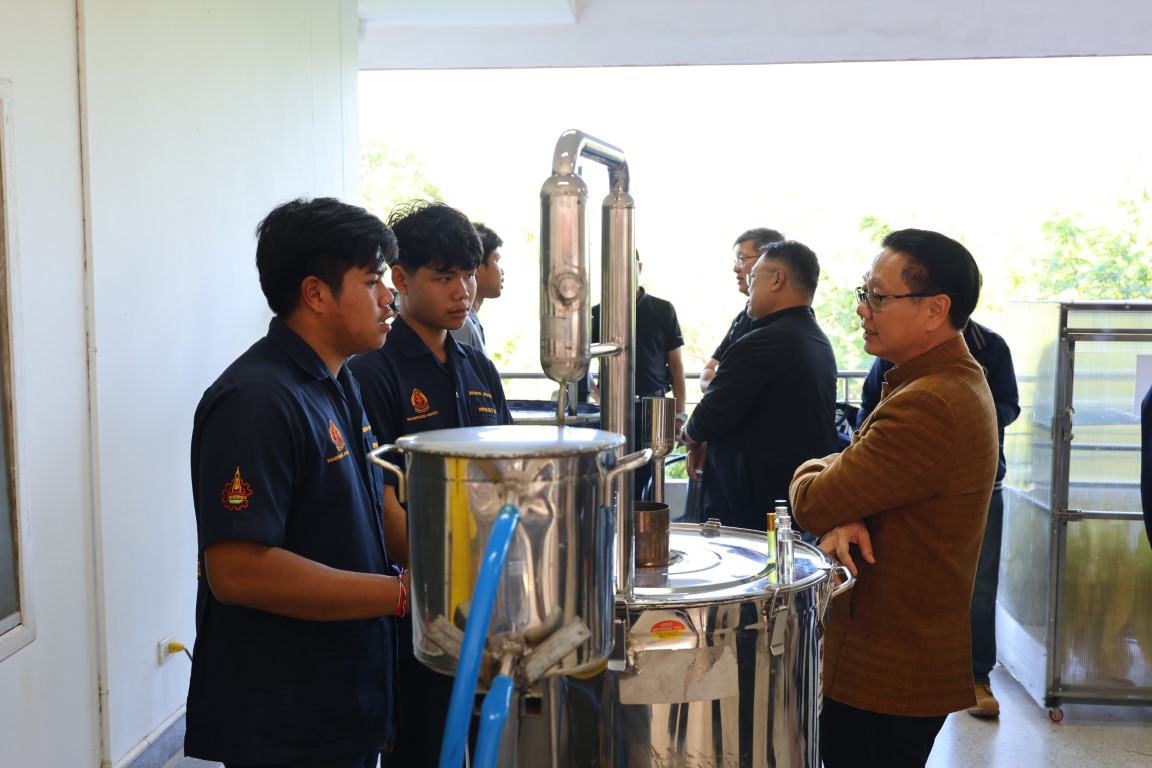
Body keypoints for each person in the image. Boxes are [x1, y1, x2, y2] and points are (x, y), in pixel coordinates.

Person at [185, 197, 408, 768]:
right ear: (315, 293)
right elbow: (238, 569)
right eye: (372, 281)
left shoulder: (337, 381)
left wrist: (451, 566)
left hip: (343, 694)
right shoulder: (257, 401)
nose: (389, 297)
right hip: (286, 717)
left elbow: (366, 509)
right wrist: (402, 595)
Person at [789, 228, 998, 768]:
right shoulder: (934, 381)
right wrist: (847, 498)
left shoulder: (932, 402)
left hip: (887, 668)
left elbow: (812, 502)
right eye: (865, 293)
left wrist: (823, 479)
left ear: (935, 309)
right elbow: (853, 484)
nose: (863, 309)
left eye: (878, 296)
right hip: (891, 656)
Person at [348, 199, 514, 768]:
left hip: (487, 597)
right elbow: (379, 500)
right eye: (444, 278)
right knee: (422, 744)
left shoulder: (476, 366)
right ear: (400, 278)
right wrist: (437, 583)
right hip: (417, 606)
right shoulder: (373, 372)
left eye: (467, 275)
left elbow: (508, 474)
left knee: (483, 739)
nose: (462, 291)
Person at [856, 320, 1020, 718]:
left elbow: (1010, 405)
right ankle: (898, 676)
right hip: (904, 485)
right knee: (897, 577)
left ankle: (976, 676)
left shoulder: (990, 345)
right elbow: (867, 406)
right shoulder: (898, 345)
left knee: (979, 586)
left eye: (881, 296)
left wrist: (964, 412)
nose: (867, 309)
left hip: (980, 486)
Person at [680, 240, 841, 530]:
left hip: (756, 505)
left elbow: (711, 414)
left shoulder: (763, 342)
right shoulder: (815, 338)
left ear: (777, 280)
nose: (749, 286)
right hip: (795, 495)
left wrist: (687, 435)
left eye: (753, 276)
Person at [582, 252, 688, 499]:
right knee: (613, 477)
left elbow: (676, 366)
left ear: (639, 267)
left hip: (655, 407)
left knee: (650, 479)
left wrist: (679, 415)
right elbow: (581, 360)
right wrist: (597, 394)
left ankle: (647, 522)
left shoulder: (663, 309)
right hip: (612, 410)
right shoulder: (598, 313)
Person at [698, 227, 787, 393]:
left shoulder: (785, 324)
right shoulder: (743, 317)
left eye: (741, 259)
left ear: (766, 260)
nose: (736, 268)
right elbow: (708, 371)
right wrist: (719, 388)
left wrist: (720, 383)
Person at [449, 221, 504, 356]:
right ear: (475, 266)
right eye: (496, 261)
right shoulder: (461, 325)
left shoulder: (469, 321)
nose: (502, 271)